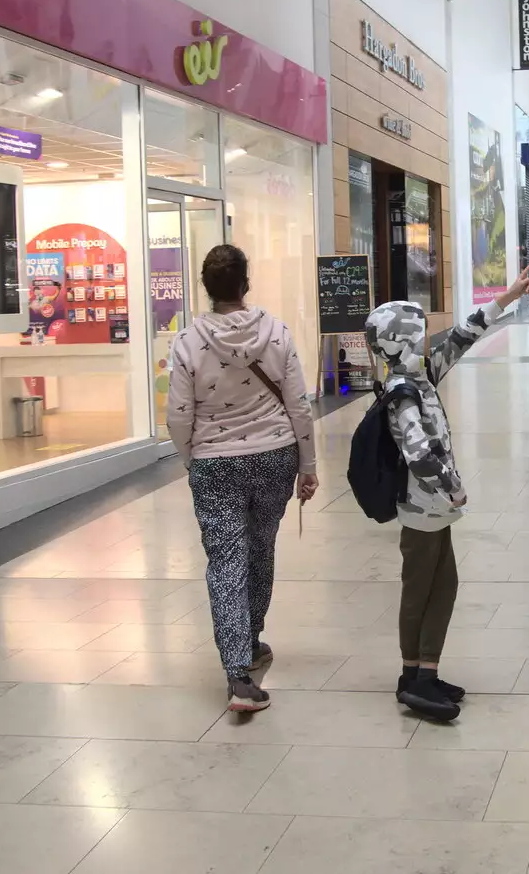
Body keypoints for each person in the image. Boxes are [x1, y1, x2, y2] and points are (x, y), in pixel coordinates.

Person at [365, 267, 529, 721]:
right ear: (402, 342)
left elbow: (462, 337)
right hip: (424, 510)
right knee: (423, 588)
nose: (428, 341)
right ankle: (414, 679)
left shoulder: (418, 375)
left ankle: (425, 671)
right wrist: (453, 488)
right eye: (419, 335)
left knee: (441, 586)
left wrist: (506, 298)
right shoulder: (403, 392)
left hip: (434, 510)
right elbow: (418, 453)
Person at [167, 245, 318, 714]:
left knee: (226, 560)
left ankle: (237, 671)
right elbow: (298, 406)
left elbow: (178, 414)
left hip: (215, 461)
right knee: (260, 548)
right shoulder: (276, 333)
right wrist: (308, 466)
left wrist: (192, 457)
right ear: (244, 283)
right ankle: (250, 640)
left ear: (207, 288)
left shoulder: (189, 341)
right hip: (274, 455)